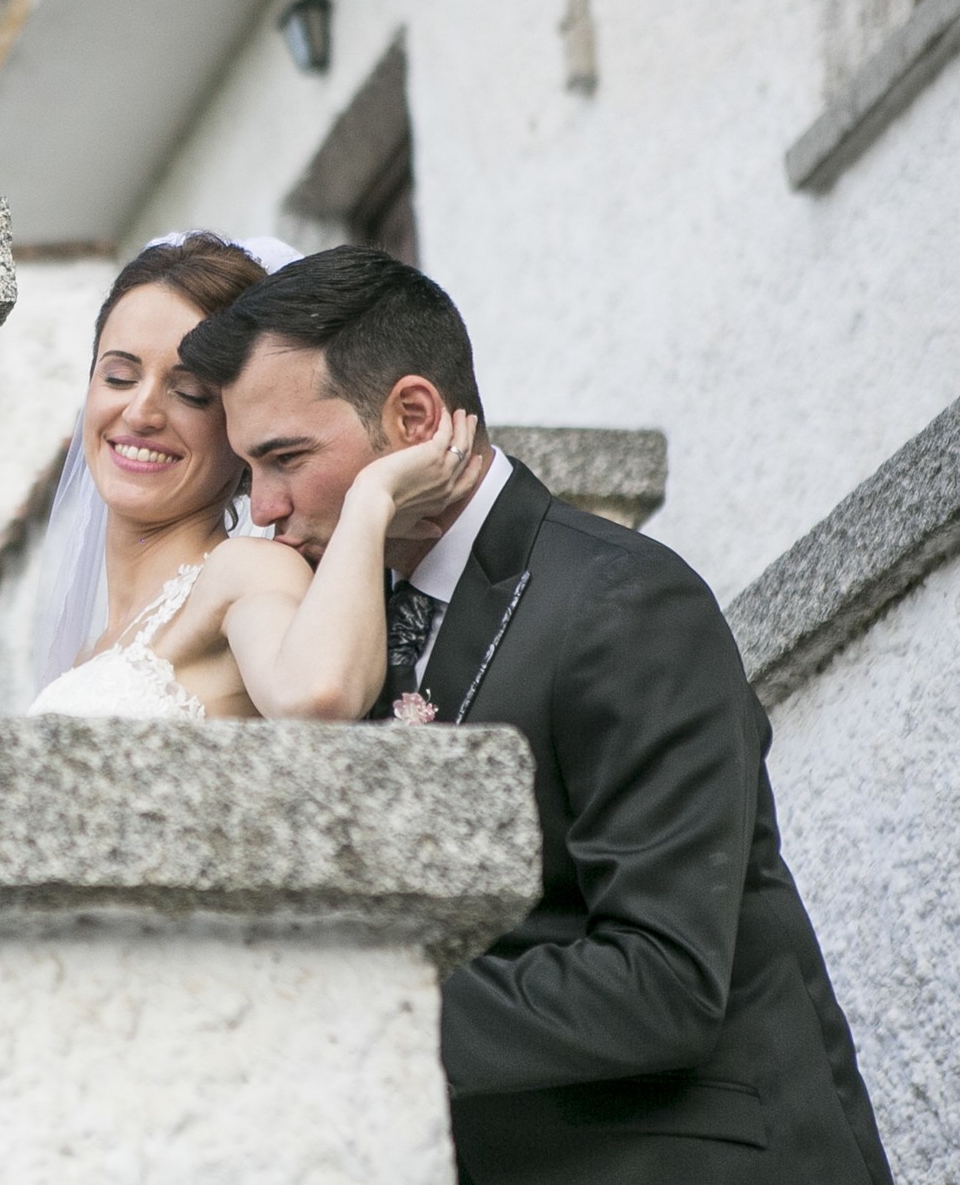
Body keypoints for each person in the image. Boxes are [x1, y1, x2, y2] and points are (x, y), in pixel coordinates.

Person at [176, 244, 893, 1184]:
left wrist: (352, 1008)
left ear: (415, 416)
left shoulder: (624, 600)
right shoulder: (344, 632)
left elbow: (664, 979)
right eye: (249, 471)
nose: (262, 508)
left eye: (285, 459)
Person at [27, 232, 482, 720]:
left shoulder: (248, 571)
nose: (140, 412)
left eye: (190, 393)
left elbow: (318, 695)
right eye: (118, 377)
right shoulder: (90, 651)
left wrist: (371, 500)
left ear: (239, 429)